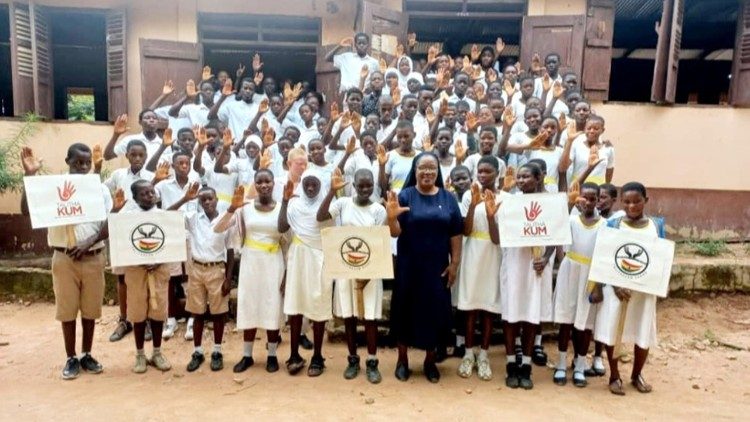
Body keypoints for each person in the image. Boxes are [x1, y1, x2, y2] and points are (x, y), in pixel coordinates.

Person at [20, 145, 111, 380]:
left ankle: (86, 354)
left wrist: (88, 243)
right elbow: (25, 211)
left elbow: (109, 223)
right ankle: (70, 357)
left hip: (92, 257)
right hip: (63, 258)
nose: (82, 167)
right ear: (67, 161)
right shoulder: (54, 187)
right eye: (77, 163)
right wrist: (30, 176)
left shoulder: (99, 189)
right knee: (67, 310)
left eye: (86, 163)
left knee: (90, 310)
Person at [387, 152, 463, 383]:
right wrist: (391, 218)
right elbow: (395, 232)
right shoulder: (406, 195)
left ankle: (430, 361)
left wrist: (455, 263)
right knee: (404, 310)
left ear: (438, 171)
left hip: (437, 268)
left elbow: (456, 232)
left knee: (434, 312)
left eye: (432, 168)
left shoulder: (448, 198)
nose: (428, 172)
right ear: (415, 170)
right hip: (409, 267)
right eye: (423, 168)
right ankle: (402, 360)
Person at [594, 182, 665, 395]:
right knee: (614, 328)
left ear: (646, 201)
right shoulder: (613, 224)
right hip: (616, 289)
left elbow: (659, 259)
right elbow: (603, 256)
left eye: (636, 201)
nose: (631, 206)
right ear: (620, 202)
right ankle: (614, 375)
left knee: (643, 329)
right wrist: (614, 286)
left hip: (643, 291)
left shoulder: (655, 226)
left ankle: (637, 374)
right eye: (626, 201)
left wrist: (656, 284)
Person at [317, 168, 387, 383]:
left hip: (371, 271)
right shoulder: (342, 204)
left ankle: (372, 361)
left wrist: (368, 274)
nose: (365, 189)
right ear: (354, 186)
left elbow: (379, 243)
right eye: (361, 185)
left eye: (369, 185)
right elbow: (321, 217)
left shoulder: (378, 210)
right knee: (349, 316)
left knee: (370, 318)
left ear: (373, 185)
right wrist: (331, 191)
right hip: (346, 269)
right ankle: (353, 359)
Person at [217, 172, 286, 373]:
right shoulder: (244, 208)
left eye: (267, 181)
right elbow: (218, 229)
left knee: (272, 307)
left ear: (274, 184)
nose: (264, 185)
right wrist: (232, 208)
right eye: (259, 182)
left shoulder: (282, 208)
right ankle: (247, 355)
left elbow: (287, 243)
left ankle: (272, 355)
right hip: (250, 262)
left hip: (274, 263)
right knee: (250, 306)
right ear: (254, 185)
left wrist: (287, 274)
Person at [104, 140, 168, 343]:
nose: (137, 158)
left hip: (146, 235)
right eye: (133, 154)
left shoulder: (152, 177)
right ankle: (125, 320)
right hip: (124, 234)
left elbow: (156, 204)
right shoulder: (118, 175)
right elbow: (104, 192)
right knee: (124, 278)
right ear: (128, 155)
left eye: (141, 155)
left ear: (146, 155)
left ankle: (148, 319)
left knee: (149, 275)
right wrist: (113, 207)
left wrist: (156, 181)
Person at [500, 163, 555, 389]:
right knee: (511, 314)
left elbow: (558, 233)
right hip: (514, 262)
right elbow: (499, 232)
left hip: (537, 264)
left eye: (526, 177)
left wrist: (547, 257)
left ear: (539, 177)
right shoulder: (509, 202)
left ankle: (527, 366)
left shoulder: (549, 203)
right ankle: (512, 363)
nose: (521, 181)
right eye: (519, 177)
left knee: (532, 315)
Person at [169, 185, 235, 372]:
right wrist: (184, 199)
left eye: (210, 198)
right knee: (197, 313)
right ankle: (197, 351)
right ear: (199, 202)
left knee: (218, 314)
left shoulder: (226, 220)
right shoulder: (192, 219)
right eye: (203, 199)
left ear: (216, 199)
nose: (207, 202)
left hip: (217, 270)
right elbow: (167, 214)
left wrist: (229, 278)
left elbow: (230, 251)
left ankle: (217, 351)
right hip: (196, 270)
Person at [111, 180, 173, 374]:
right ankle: (139, 354)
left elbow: (171, 242)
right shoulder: (127, 217)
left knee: (158, 312)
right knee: (137, 313)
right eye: (144, 194)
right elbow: (118, 237)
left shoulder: (164, 217)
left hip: (159, 270)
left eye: (152, 192)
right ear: (135, 198)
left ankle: (157, 352)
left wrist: (158, 260)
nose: (149, 196)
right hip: (136, 271)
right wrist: (138, 259)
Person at [279, 172, 334, 377]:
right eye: (307, 184)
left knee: (318, 306)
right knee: (295, 307)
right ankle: (294, 355)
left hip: (320, 257)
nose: (310, 188)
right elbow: (282, 226)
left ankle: (317, 357)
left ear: (321, 185)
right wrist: (284, 201)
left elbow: (322, 218)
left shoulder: (330, 204)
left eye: (315, 185)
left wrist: (330, 193)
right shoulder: (294, 205)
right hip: (297, 257)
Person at [552, 182, 605, 387]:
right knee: (566, 321)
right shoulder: (572, 219)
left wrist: (598, 285)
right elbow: (557, 226)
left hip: (591, 275)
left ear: (598, 200)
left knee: (585, 324)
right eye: (584, 198)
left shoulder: (604, 225)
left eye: (593, 198)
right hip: (570, 271)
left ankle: (581, 365)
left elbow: (604, 256)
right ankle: (561, 364)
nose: (588, 202)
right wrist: (569, 203)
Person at [456, 156, 502, 381]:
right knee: (470, 307)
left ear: (497, 173)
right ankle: (467, 353)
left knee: (488, 307)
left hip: (493, 254)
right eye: (480, 172)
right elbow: (466, 230)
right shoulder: (468, 194)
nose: (483, 176)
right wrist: (474, 205)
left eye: (487, 172)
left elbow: (496, 239)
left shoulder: (505, 198)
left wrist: (492, 216)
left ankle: (484, 355)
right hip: (472, 251)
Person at [154, 149, 201, 340]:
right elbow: (163, 212)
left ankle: (191, 319)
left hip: (191, 238)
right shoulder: (164, 186)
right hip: (171, 237)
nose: (184, 166)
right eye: (180, 163)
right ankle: (171, 318)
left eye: (187, 163)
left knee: (191, 280)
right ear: (173, 166)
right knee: (170, 280)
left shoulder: (195, 185)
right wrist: (156, 179)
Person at [559, 114, 614, 187]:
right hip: (578, 187)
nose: (591, 131)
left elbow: (609, 173)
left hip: (598, 189)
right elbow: (563, 168)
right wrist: (569, 141)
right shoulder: (576, 144)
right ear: (585, 129)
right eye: (589, 128)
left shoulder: (608, 148)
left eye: (596, 129)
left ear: (602, 130)